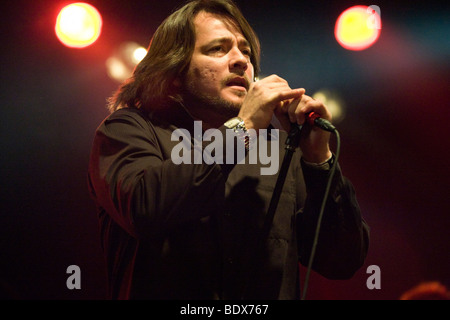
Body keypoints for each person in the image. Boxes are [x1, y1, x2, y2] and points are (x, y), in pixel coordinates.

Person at [87, 0, 370, 300]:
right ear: (174, 71)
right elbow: (144, 207)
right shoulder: (127, 130)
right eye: (218, 49)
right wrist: (242, 127)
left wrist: (319, 162)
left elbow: (342, 259)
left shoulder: (278, 149)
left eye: (246, 52)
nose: (240, 61)